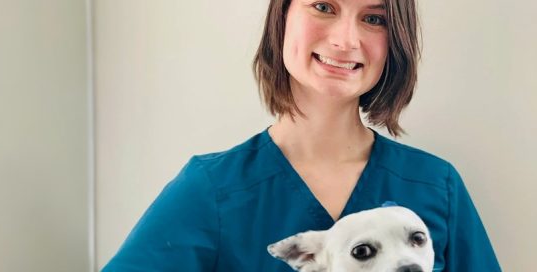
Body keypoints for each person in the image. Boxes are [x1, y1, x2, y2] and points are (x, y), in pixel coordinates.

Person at [102, 0, 501, 271]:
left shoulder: (436, 185)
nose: (346, 39)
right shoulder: (212, 191)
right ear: (283, 15)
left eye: (374, 18)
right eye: (324, 6)